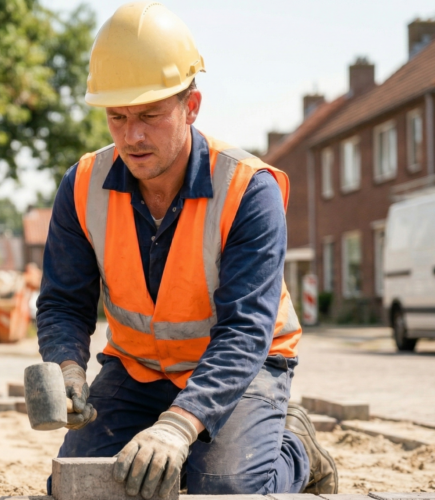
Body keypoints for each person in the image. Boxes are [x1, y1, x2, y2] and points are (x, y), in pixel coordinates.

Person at [36, 2, 337, 497]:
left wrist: (177, 427)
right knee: (77, 485)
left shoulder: (247, 189)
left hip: (244, 365)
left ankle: (296, 449)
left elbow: (245, 330)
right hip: (138, 368)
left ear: (190, 107)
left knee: (218, 488)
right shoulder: (82, 185)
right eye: (117, 117)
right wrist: (68, 367)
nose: (132, 136)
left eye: (150, 115)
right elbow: (63, 300)